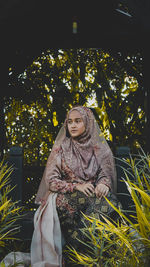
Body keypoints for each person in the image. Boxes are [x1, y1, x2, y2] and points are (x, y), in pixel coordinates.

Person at [30, 106, 117, 267]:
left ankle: (73, 253)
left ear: (88, 123)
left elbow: (106, 173)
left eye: (78, 121)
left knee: (110, 203)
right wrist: (76, 186)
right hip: (63, 196)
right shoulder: (61, 148)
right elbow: (51, 180)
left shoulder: (100, 148)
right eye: (69, 122)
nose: (73, 125)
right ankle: (81, 257)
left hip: (92, 195)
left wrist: (104, 184)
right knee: (98, 205)